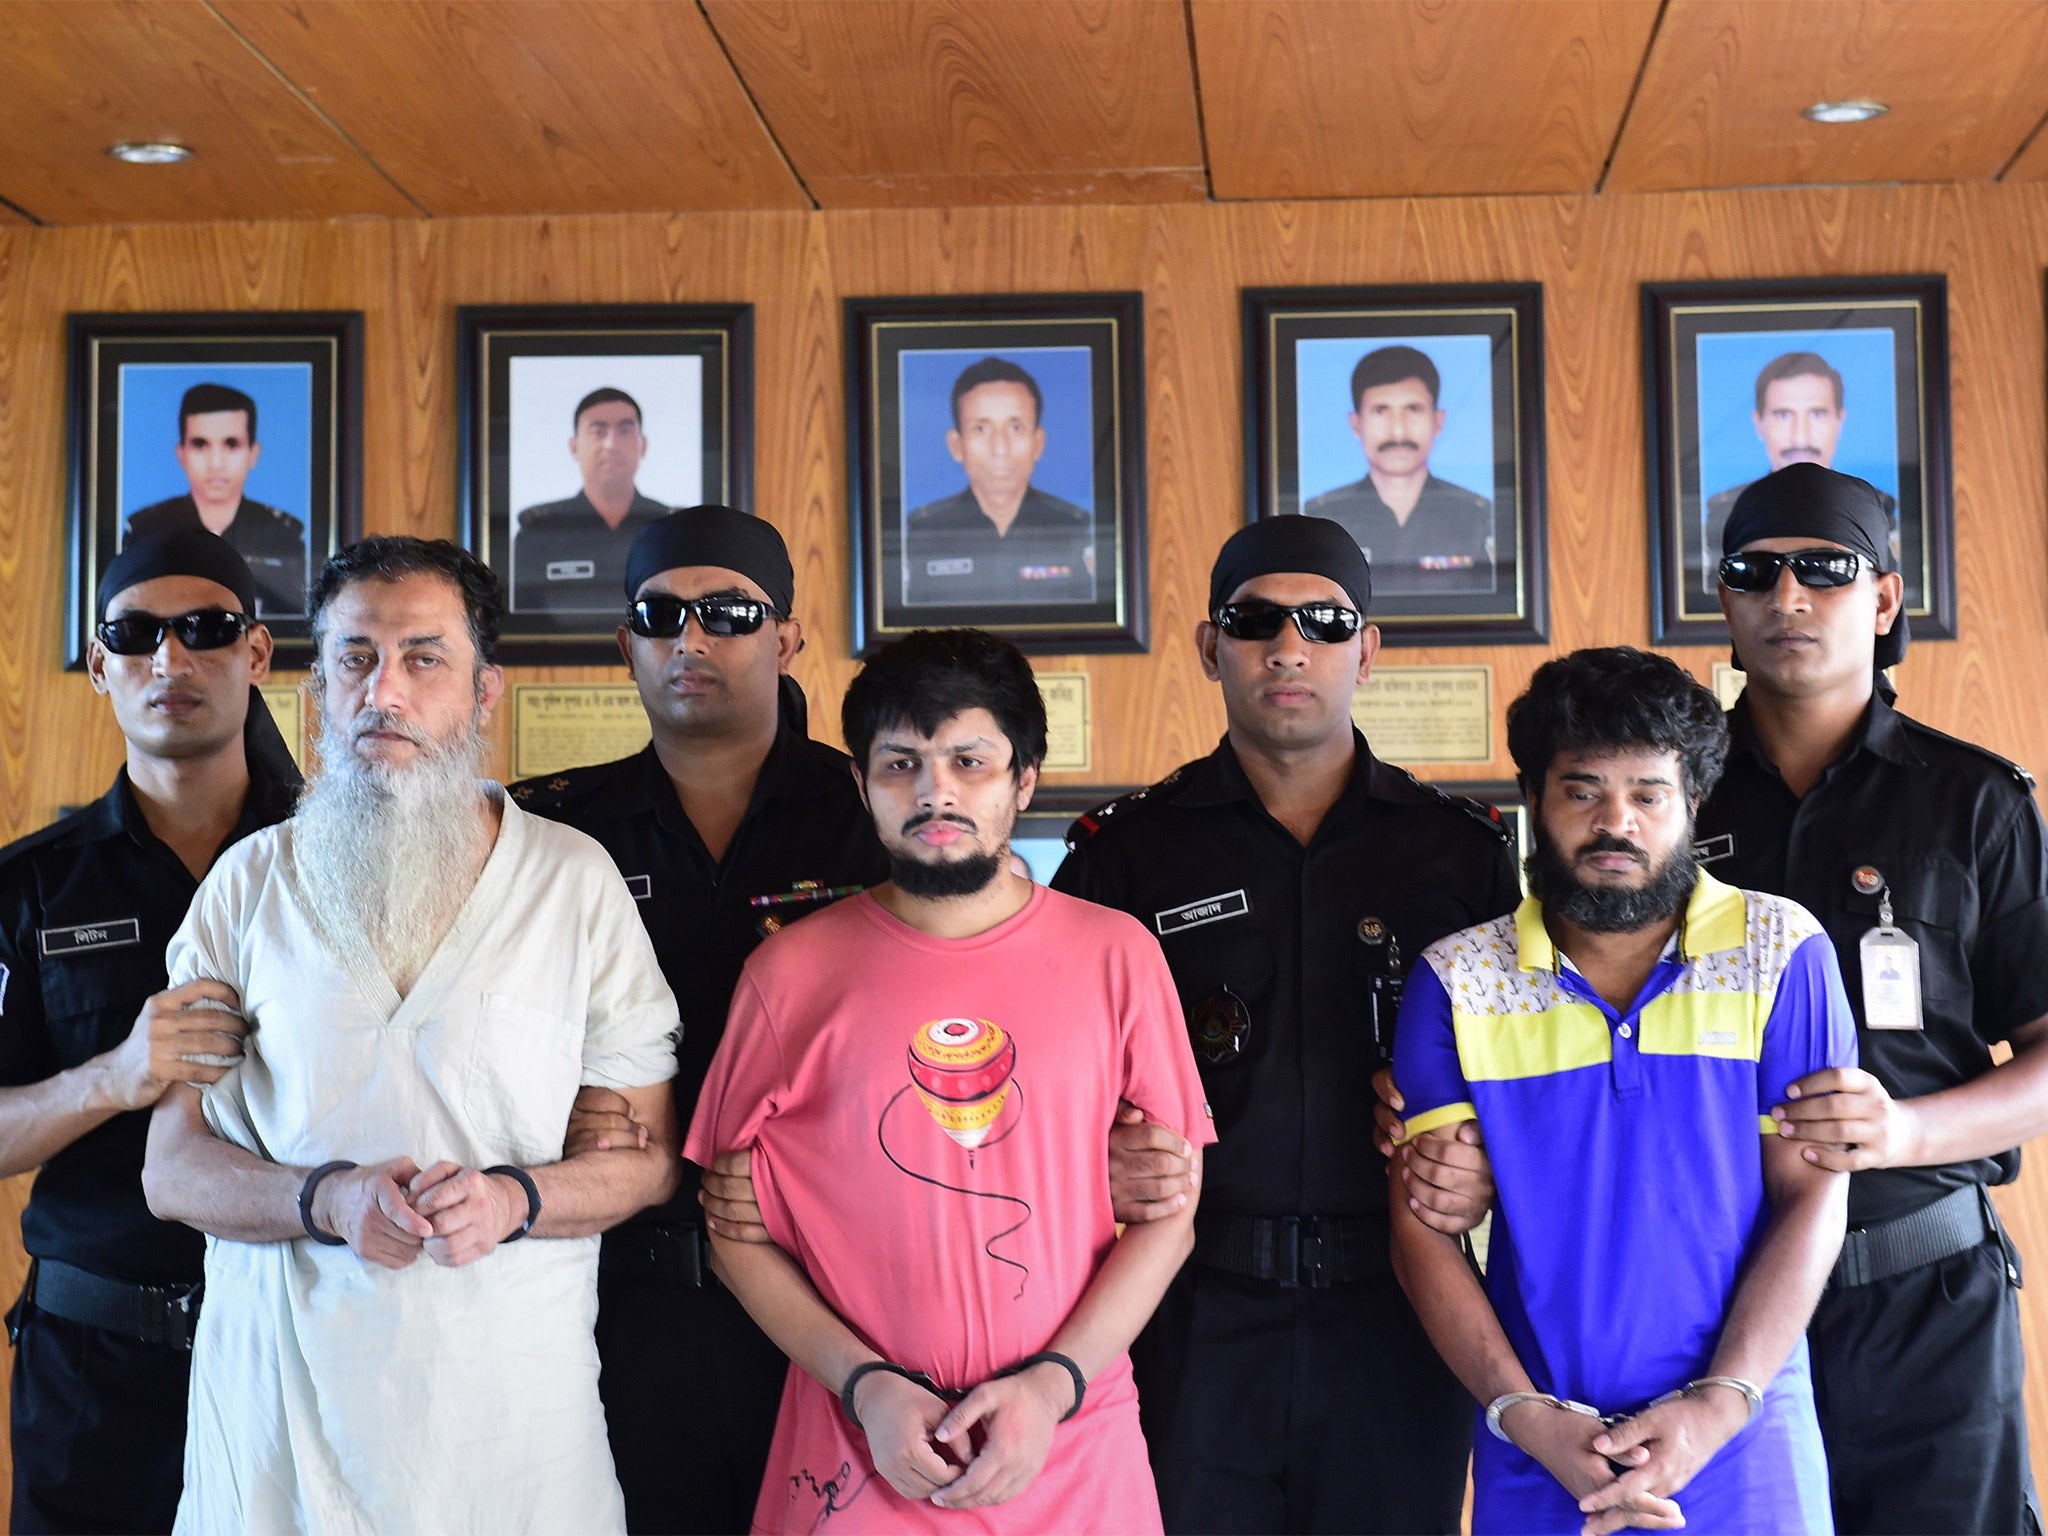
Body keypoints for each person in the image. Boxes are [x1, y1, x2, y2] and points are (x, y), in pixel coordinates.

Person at [140, 536, 682, 1533]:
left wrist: (514, 1199)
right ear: (316, 690)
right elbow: (171, 1170)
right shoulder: (246, 889)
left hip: (516, 1448)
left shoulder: (573, 883)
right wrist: (324, 1199)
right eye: (354, 658)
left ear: (484, 693)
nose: (384, 691)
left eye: (423, 658)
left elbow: (643, 1163)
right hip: (276, 1455)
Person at [1051, 515, 1521, 1533]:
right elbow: (1050, 1083)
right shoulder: (1123, 858)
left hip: (1398, 1310)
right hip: (1189, 1309)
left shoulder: (1460, 856)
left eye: (1322, 621)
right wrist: (1095, 1161)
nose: (1288, 647)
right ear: (1209, 646)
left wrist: (1494, 1152)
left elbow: (1535, 1076)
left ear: (1368, 646)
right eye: (1255, 621)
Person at [688, 628, 1213, 1533]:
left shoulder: (1116, 955)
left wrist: (1053, 1387)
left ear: (1024, 780)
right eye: (901, 764)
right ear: (862, 787)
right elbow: (733, 1231)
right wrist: (865, 1387)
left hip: (1071, 1442)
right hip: (861, 1448)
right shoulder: (788, 975)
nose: (935, 791)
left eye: (970, 760)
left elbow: (1170, 1215)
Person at [1390, 646, 1855, 1535]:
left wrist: (1719, 1406)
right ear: (1534, 799)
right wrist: (1527, 1418)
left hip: (1743, 1435)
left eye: (1648, 794)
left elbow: (1813, 1197)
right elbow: (1422, 1231)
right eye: (1583, 791)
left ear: (1690, 806)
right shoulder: (1457, 979)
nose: (1617, 823)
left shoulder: (1782, 951)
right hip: (1542, 1442)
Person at [512, 505, 890, 1534]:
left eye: (727, 613)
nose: (691, 639)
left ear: (786, 636)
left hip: (835, 1305)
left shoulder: (875, 817)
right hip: (610, 1305)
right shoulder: (544, 832)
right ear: (624, 643)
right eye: (660, 614)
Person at [1702, 462, 2048, 1533]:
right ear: (1723, 601)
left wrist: (1900, 1127)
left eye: (1822, 569)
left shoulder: (1973, 801)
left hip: (1925, 1304)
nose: (1786, 597)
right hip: (1712, 1305)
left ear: (1884, 598)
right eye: (1752, 572)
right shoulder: (1666, 800)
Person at [0, 532, 298, 1534]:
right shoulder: (30, 889)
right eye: (135, 635)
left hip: (296, 1348)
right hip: (94, 1374)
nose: (170, 661)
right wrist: (111, 1076)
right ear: (99, 665)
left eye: (206, 630)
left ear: (257, 654)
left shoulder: (333, 869)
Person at [903, 357, 1096, 607]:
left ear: (1038, 443)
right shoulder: (924, 532)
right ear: (956, 445)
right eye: (981, 429)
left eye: (1016, 428)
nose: (1000, 448)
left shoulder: (1074, 528)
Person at [1700, 352, 1899, 596]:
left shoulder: (1880, 512)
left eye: (1817, 414)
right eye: (1783, 415)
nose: (1801, 436)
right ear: (1758, 423)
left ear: (1840, 420)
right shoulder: (1723, 513)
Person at [1303, 345, 1495, 596]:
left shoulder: (1477, 516)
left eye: (1413, 409)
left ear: (1438, 420)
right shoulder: (1321, 519)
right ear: (1356, 423)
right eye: (1381, 411)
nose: (1398, 431)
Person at [126, 384, 309, 619]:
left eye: (231, 444)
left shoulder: (284, 534)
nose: (215, 463)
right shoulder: (144, 532)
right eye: (200, 445)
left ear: (253, 453)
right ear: (181, 453)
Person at [514, 387, 671, 614]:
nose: (611, 445)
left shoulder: (670, 529)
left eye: (625, 431)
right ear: (574, 447)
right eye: (598, 432)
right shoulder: (539, 531)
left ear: (642, 445)